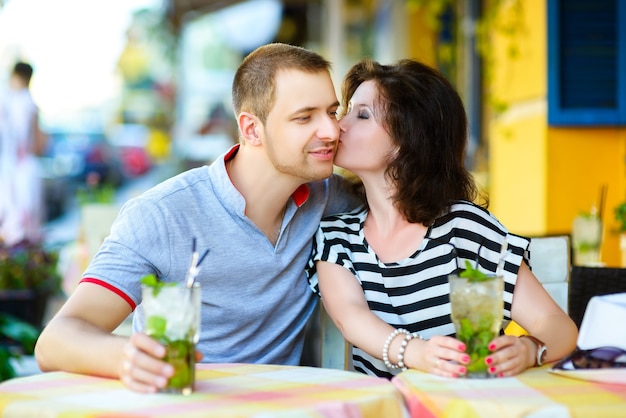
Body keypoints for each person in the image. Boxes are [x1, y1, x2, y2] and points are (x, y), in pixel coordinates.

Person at [35, 43, 360, 393]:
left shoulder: (330, 197)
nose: (330, 131)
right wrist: (128, 356)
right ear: (251, 129)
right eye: (304, 117)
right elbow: (56, 340)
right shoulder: (163, 214)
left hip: (278, 407)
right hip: (182, 404)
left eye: (332, 111)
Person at [305, 58, 578, 379]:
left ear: (409, 141)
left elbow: (558, 327)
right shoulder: (337, 238)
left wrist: (531, 349)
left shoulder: (465, 230)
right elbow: (350, 318)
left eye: (362, 115)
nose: (339, 125)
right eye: (347, 111)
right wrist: (415, 351)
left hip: (472, 404)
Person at [0, 61, 47, 245]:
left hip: (13, 166)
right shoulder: (25, 102)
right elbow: (39, 143)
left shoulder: (10, 100)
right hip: (22, 166)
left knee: (13, 218)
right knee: (24, 218)